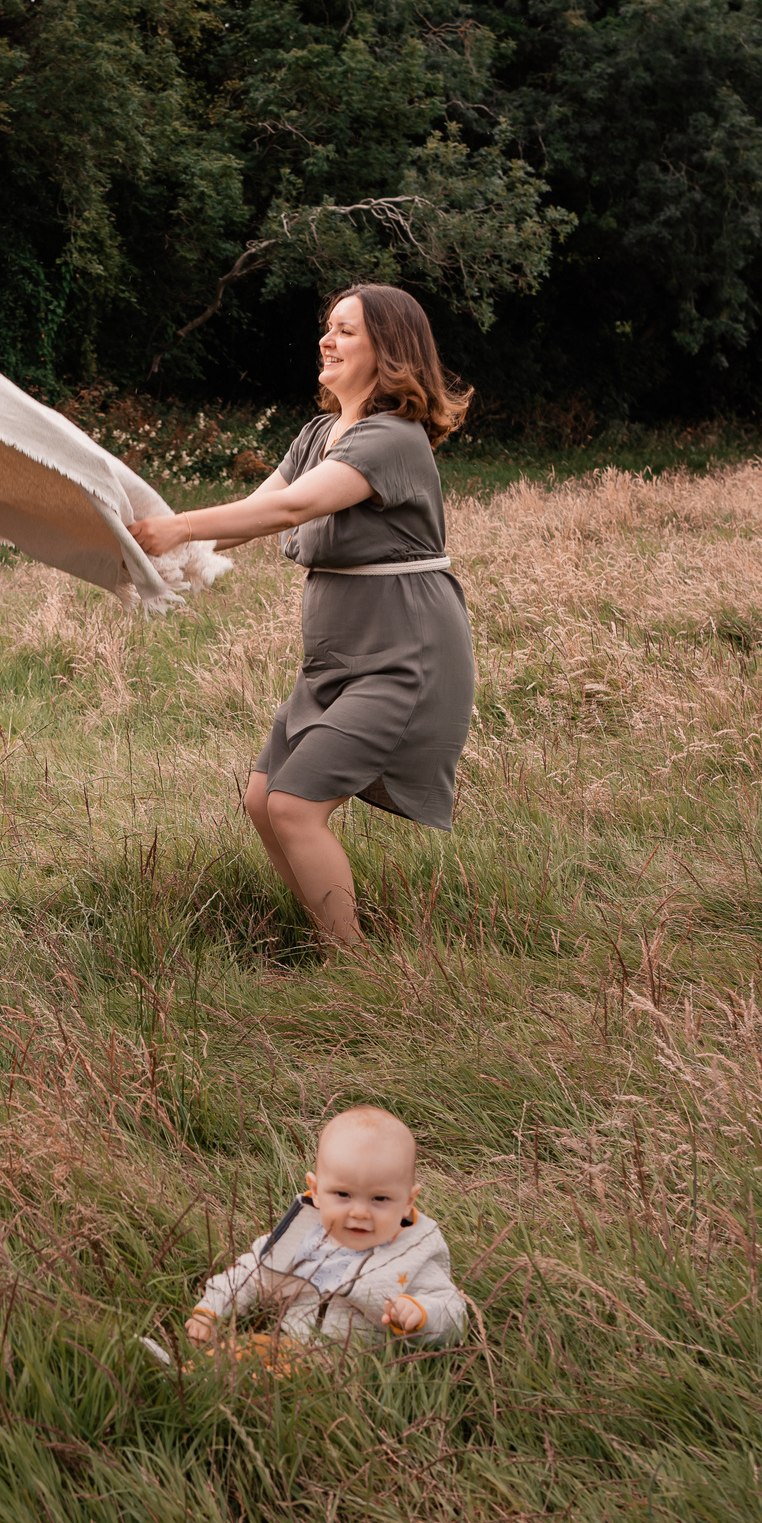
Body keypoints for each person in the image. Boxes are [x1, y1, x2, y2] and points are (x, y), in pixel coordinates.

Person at [129, 283, 473, 953]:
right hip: (336, 661)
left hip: (405, 655)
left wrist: (171, 529)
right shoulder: (319, 433)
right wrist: (136, 551)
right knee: (265, 801)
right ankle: (329, 940)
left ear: (389, 350)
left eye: (346, 330)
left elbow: (290, 512)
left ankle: (356, 967)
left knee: (294, 804)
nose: (327, 339)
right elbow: (245, 521)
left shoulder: (393, 439)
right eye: (328, 327)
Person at [184, 1107, 466, 1354]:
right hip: (292, 1346)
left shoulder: (412, 1252)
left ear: (408, 1201)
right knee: (245, 1354)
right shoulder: (307, 1237)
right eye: (343, 1194)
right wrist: (212, 1309)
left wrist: (421, 1314)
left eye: (380, 1199)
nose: (359, 1212)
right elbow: (254, 1273)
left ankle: (183, 1375)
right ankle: (171, 1372)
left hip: (353, 1364)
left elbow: (454, 1313)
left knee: (248, 1357)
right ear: (316, 1191)